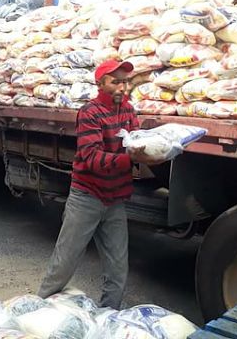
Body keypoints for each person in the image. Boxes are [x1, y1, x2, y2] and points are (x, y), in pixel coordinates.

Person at [38, 60, 161, 309]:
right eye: (115, 81)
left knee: (118, 269)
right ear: (100, 83)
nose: (122, 87)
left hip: (115, 199)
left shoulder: (128, 111)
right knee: (65, 263)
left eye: (125, 82)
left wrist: (154, 151)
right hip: (87, 197)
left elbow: (135, 141)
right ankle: (36, 310)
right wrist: (131, 158)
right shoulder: (90, 113)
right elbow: (92, 158)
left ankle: (108, 318)